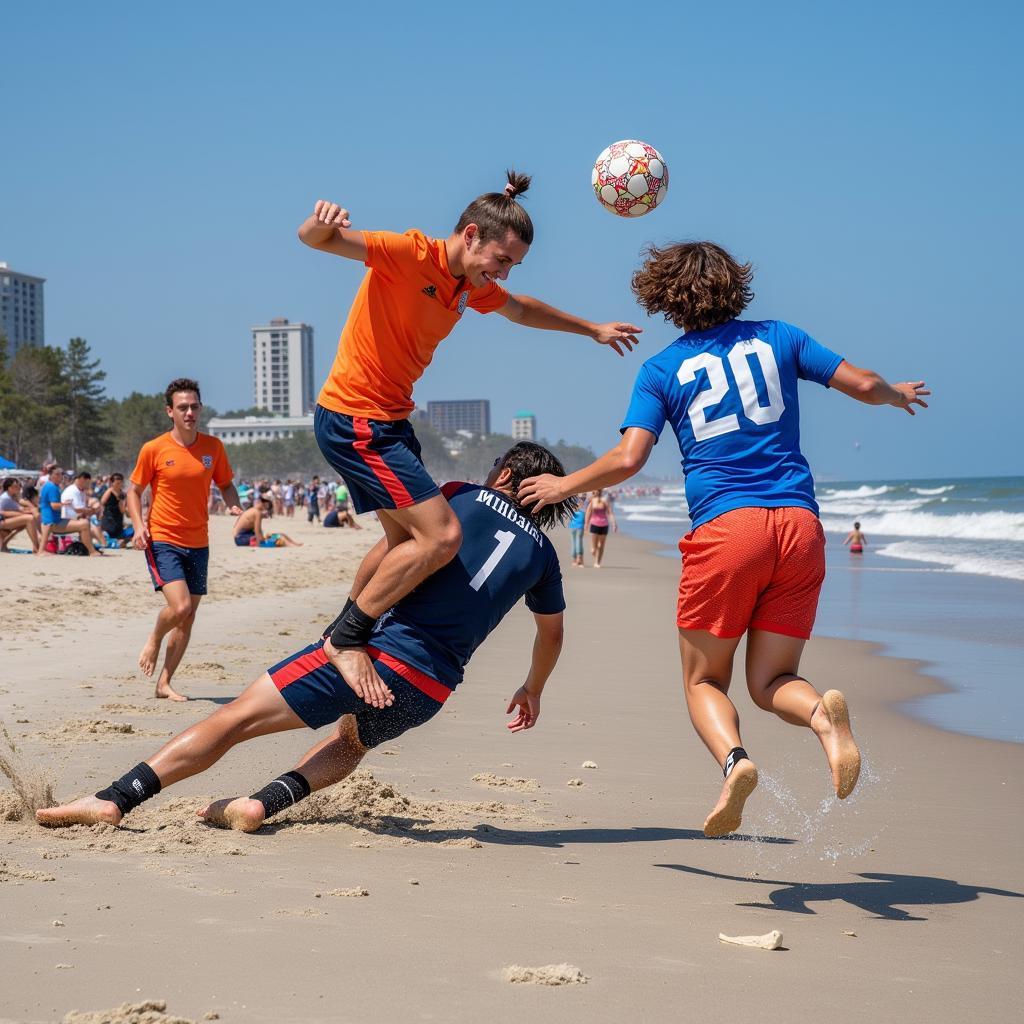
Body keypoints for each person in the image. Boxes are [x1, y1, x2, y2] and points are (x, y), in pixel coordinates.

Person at [519, 240, 930, 837]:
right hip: (799, 527)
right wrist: (897, 394)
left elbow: (629, 457)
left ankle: (735, 764)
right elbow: (864, 385)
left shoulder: (660, 370)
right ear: (735, 284)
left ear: (664, 296)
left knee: (705, 680)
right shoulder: (781, 337)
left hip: (727, 531)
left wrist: (564, 487)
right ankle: (823, 720)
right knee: (772, 681)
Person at [36, 442, 574, 833]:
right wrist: (533, 688)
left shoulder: (458, 496)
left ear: (503, 473)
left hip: (378, 652)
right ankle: (260, 805)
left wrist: (345, 629)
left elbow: (387, 554)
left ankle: (115, 799)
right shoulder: (544, 559)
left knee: (234, 718)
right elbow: (551, 637)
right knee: (350, 743)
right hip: (431, 688)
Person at [298, 172, 641, 703]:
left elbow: (522, 309)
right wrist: (320, 223)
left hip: (389, 420)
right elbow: (317, 242)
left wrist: (592, 329)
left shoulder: (470, 285)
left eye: (511, 266)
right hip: (355, 417)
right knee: (442, 537)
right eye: (501, 260)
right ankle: (345, 638)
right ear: (472, 234)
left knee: (403, 543)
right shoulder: (410, 252)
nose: (502, 273)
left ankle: (344, 631)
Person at [127, 378, 243, 701]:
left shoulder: (213, 448)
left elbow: (226, 483)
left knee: (189, 617)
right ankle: (153, 638)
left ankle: (164, 682)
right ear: (170, 412)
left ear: (200, 408)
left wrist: (233, 501)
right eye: (182, 407)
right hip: (163, 538)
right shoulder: (154, 449)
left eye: (194, 406)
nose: (189, 412)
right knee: (179, 608)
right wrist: (138, 526)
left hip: (199, 542)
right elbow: (133, 492)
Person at [36, 465, 100, 556]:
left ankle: (88, 549)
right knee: (84, 524)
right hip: (53, 523)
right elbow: (54, 506)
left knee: (83, 523)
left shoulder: (48, 485)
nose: (60, 477)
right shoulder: (53, 487)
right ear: (51, 475)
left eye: (61, 474)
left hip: (49, 521)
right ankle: (91, 551)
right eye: (57, 474)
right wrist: (64, 504)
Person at [233, 498, 303, 548]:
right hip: (242, 538)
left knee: (280, 534)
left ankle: (295, 544)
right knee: (277, 537)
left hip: (241, 537)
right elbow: (258, 530)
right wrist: (260, 543)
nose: (266, 509)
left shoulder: (252, 510)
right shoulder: (257, 512)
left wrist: (263, 538)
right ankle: (291, 546)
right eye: (266, 506)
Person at [61, 470, 105, 550]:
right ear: (81, 480)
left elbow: (82, 509)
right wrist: (93, 511)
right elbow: (78, 509)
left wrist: (92, 510)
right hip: (67, 520)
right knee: (91, 522)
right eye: (87, 483)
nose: (88, 485)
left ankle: (100, 544)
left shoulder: (81, 491)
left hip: (75, 518)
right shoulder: (72, 490)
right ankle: (100, 545)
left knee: (92, 520)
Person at [0, 477, 41, 552]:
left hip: (5, 520)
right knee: (29, 518)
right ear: (9, 488)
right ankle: (37, 547)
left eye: (19, 485)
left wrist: (34, 509)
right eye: (16, 486)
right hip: (2, 521)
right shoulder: (5, 498)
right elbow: (1, 512)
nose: (19, 487)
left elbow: (21, 508)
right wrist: (22, 513)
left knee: (27, 521)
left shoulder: (13, 496)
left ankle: (4, 543)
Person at [98, 472, 133, 547]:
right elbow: (102, 502)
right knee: (110, 536)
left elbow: (124, 511)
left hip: (118, 524)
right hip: (109, 524)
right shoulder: (109, 491)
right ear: (112, 483)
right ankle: (118, 542)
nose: (119, 485)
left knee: (133, 531)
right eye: (117, 483)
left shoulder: (123, 494)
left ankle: (119, 541)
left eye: (120, 483)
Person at [584, 488, 617, 568]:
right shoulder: (592, 501)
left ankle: (597, 562)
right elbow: (588, 513)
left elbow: (610, 513)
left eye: (599, 491)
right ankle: (594, 554)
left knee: (601, 545)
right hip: (594, 524)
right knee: (594, 548)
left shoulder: (605, 501)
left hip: (604, 525)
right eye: (596, 491)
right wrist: (586, 524)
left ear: (601, 492)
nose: (598, 492)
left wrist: (614, 524)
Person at [568, 499, 586, 567]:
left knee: (573, 543)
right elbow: (584, 520)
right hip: (580, 527)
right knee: (579, 542)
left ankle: (574, 560)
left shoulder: (572, 512)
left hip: (572, 527)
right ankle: (579, 559)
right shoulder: (582, 512)